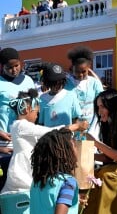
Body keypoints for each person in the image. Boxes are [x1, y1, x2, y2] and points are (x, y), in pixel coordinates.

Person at [30, 128, 111, 214]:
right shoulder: (68, 182)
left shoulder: (38, 181)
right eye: (74, 146)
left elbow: (48, 205)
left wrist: (76, 201)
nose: (77, 149)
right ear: (65, 153)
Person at [1, 89, 89, 194]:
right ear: (27, 109)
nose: (37, 116)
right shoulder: (21, 125)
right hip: (22, 173)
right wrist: (76, 126)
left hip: (29, 169)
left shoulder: (21, 126)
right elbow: (51, 132)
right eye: (36, 113)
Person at [0, 48, 35, 190]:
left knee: (23, 181)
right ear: (2, 66)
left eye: (17, 66)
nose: (14, 70)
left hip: (25, 138)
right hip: (5, 140)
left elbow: (34, 107)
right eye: (9, 67)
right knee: (5, 181)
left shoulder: (28, 81)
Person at [65, 46, 104, 124]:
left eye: (83, 71)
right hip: (73, 126)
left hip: (92, 126)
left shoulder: (95, 83)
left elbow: (102, 102)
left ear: (89, 68)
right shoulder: (66, 83)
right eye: (77, 71)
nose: (80, 75)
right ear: (73, 67)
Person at [38, 63, 82, 127]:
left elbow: (76, 118)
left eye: (60, 82)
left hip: (67, 136)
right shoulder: (42, 99)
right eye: (54, 83)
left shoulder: (71, 96)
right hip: (49, 136)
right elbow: (41, 122)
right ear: (47, 82)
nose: (58, 86)